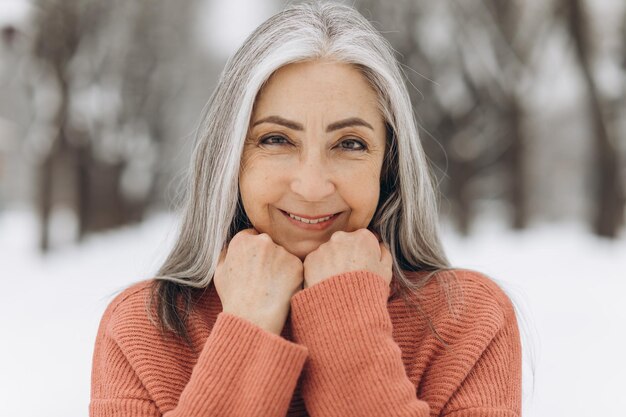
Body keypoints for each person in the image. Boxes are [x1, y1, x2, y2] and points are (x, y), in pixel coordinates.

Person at [90, 2, 522, 416]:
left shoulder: (467, 321)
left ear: (388, 163)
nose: (313, 186)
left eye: (350, 144)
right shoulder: (142, 330)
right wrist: (247, 330)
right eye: (276, 140)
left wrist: (347, 322)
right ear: (230, 157)